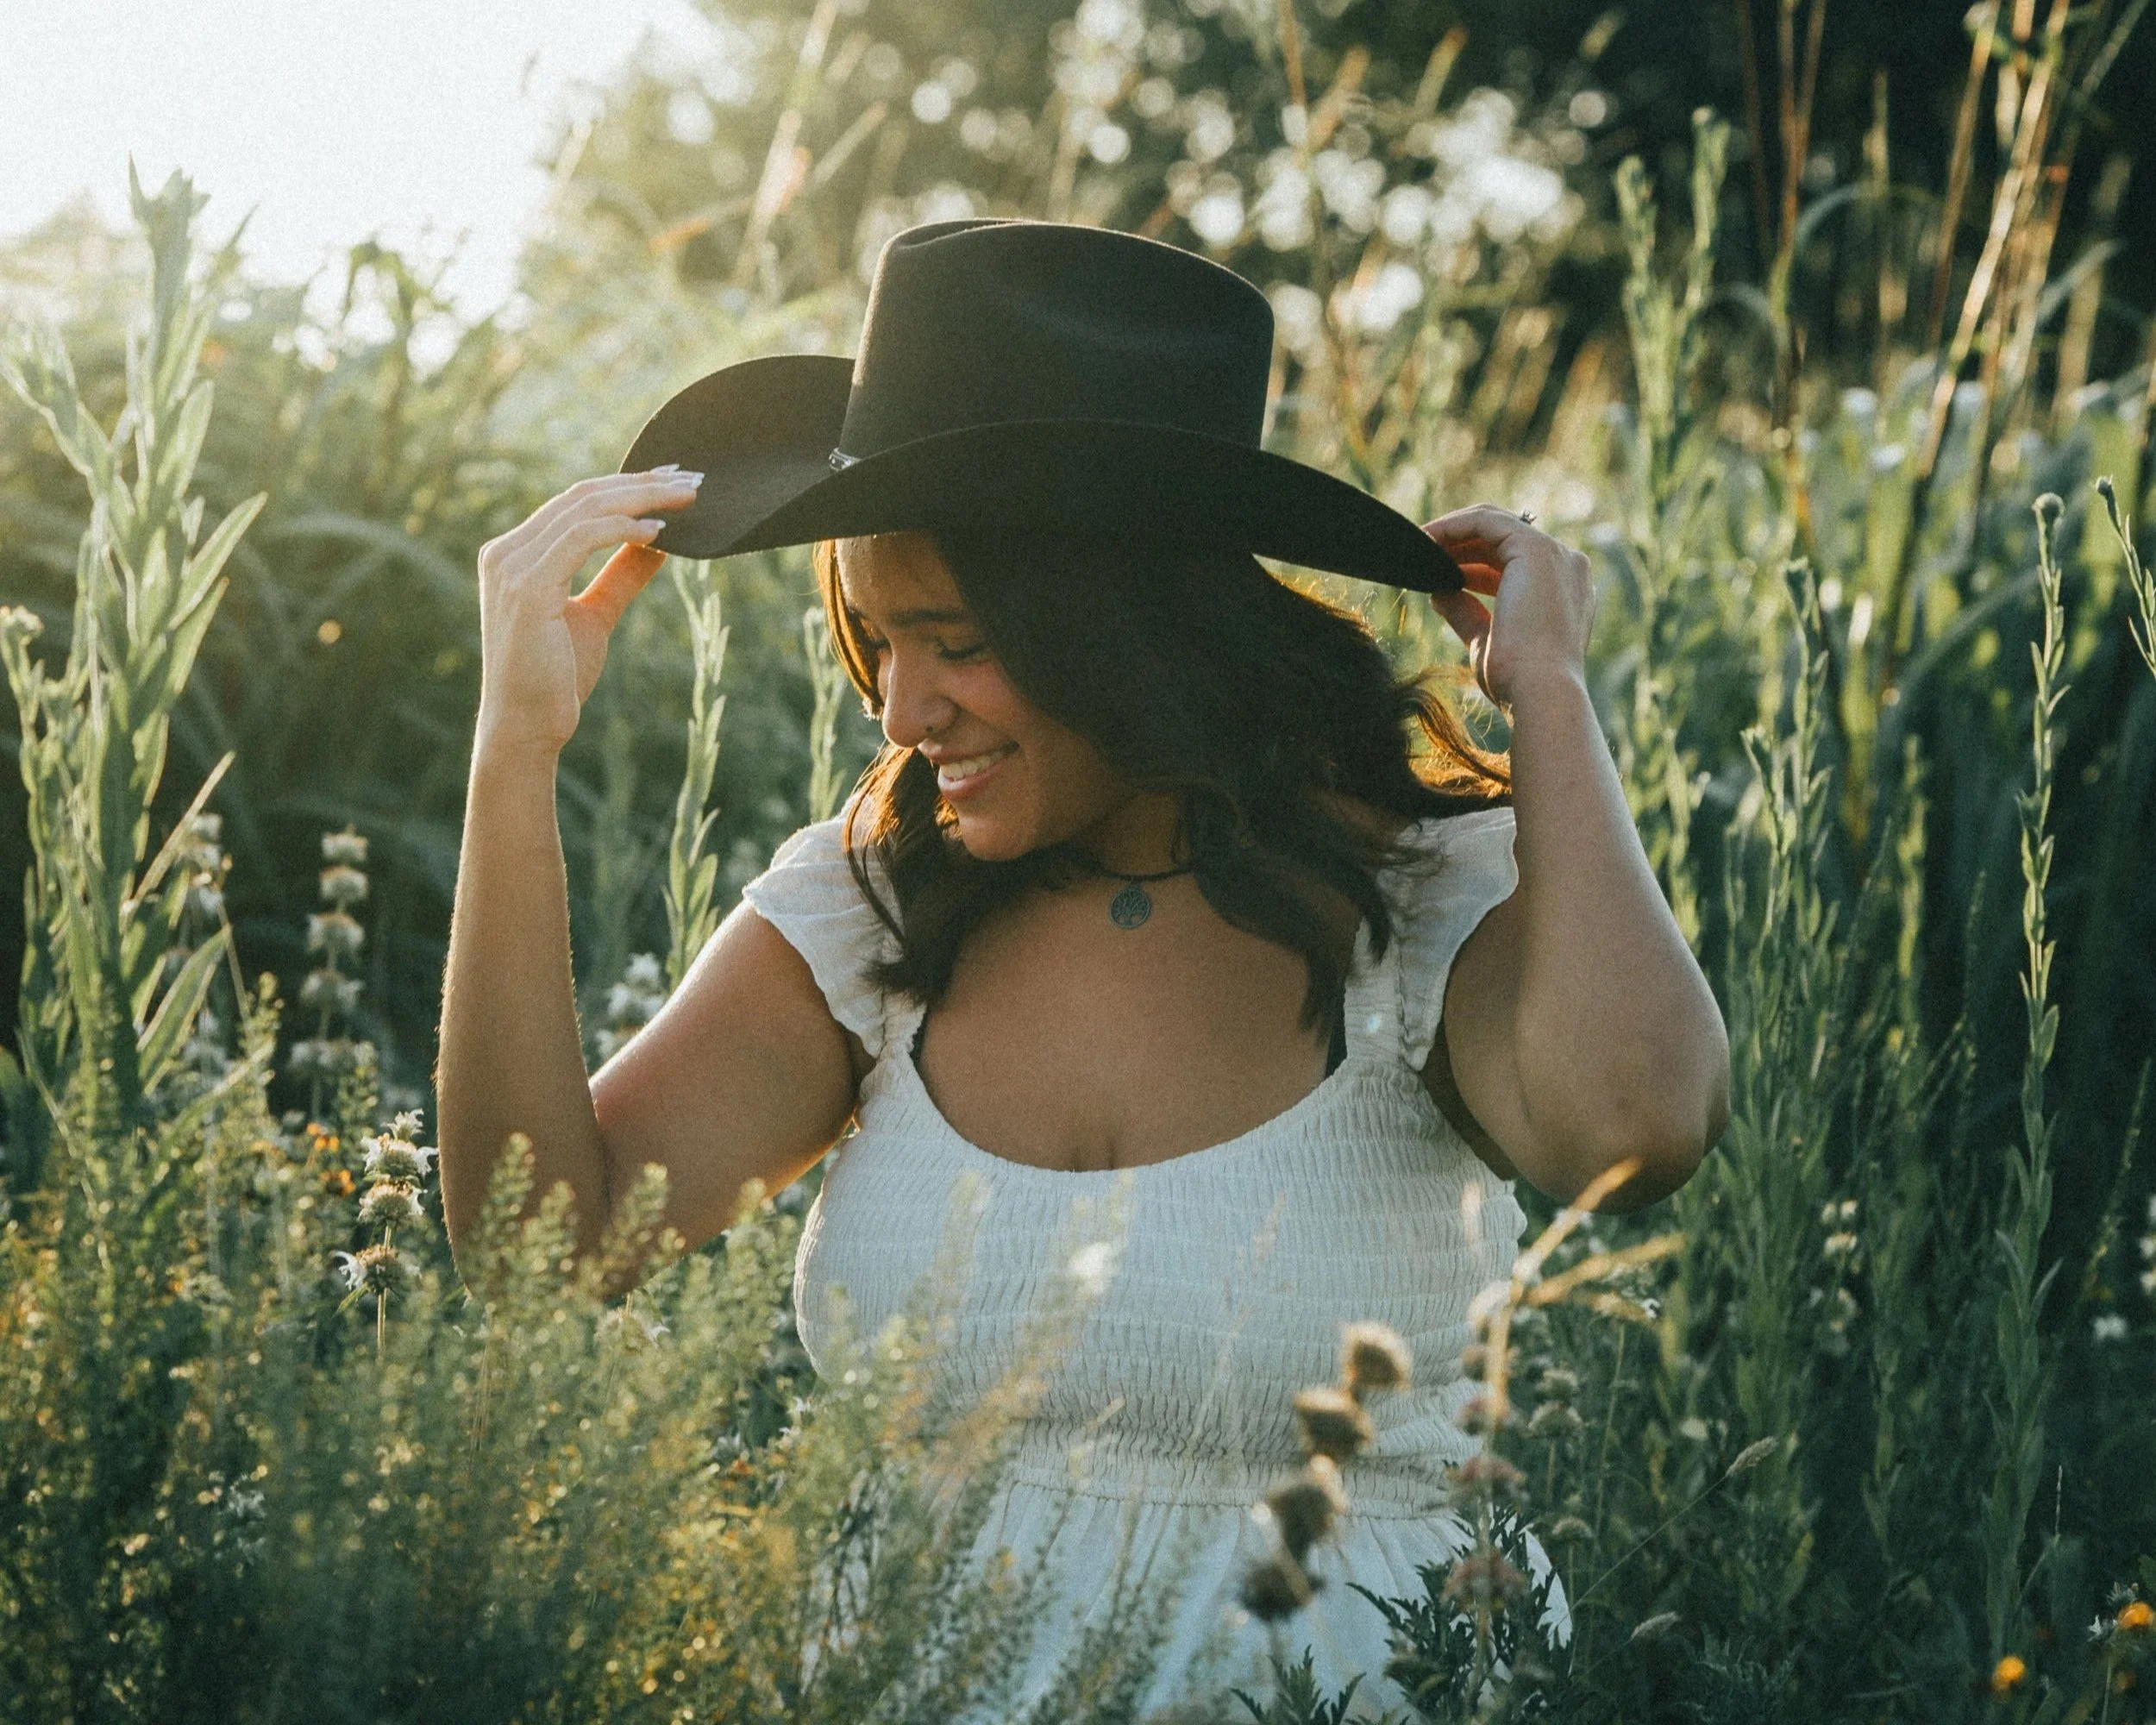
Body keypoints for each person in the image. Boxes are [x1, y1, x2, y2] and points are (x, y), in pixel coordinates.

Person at [436, 218, 1730, 1718]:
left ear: (1127, 627)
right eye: (874, 642)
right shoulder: (877, 908)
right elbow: (545, 1249)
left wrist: (1551, 700)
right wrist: (511, 753)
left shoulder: (1418, 895)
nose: (904, 709)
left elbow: (1639, 1129)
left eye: (958, 640)